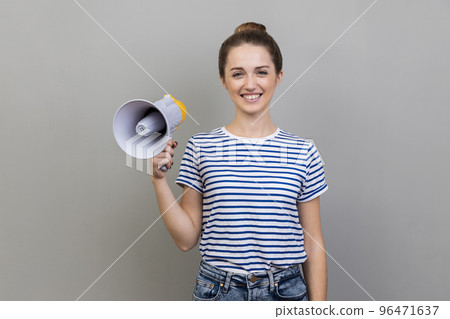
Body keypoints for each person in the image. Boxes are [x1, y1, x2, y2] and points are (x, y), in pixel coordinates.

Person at [151, 22, 328, 301]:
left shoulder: (302, 152)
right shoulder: (201, 147)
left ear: (278, 76)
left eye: (261, 72)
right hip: (219, 293)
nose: (250, 84)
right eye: (237, 74)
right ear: (223, 79)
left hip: (286, 294)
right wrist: (158, 180)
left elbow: (314, 243)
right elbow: (185, 240)